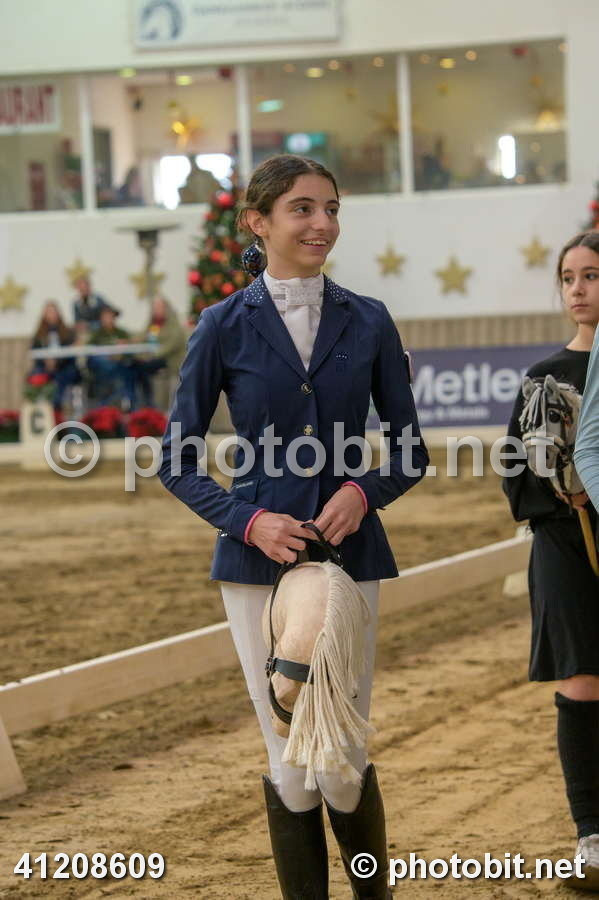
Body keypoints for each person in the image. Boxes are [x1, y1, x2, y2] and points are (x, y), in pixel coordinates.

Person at [159, 153, 428, 898]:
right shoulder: (221, 325)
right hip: (254, 565)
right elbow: (176, 460)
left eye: (331, 209)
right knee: (288, 759)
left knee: (340, 755)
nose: (322, 224)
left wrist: (364, 493)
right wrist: (247, 522)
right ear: (258, 221)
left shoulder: (369, 319)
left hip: (350, 556)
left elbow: (410, 451)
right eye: (303, 209)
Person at [503, 230, 599, 888]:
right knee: (582, 680)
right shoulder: (543, 377)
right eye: (568, 277)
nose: (577, 289)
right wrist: (561, 488)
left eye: (590, 275)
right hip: (565, 543)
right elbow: (514, 475)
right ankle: (591, 833)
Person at [135, 295, 187, 407]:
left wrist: (152, 355)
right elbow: (142, 337)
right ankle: (142, 402)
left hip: (170, 360)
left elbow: (172, 345)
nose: (156, 310)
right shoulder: (153, 323)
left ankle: (149, 402)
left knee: (143, 368)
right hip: (154, 359)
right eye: (154, 307)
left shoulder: (173, 324)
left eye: (159, 307)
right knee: (134, 366)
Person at [29, 300, 81, 412]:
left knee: (64, 375)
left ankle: (57, 406)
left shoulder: (68, 332)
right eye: (48, 312)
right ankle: (38, 410)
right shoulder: (39, 334)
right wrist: (46, 362)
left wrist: (56, 362)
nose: (51, 315)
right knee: (34, 374)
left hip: (65, 366)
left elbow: (71, 353)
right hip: (44, 366)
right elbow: (34, 353)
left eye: (53, 312)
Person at [87, 305, 137, 410]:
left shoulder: (121, 333)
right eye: (105, 317)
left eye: (110, 316)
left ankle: (128, 403)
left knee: (131, 370)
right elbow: (90, 350)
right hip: (102, 367)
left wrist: (123, 348)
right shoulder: (97, 334)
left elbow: (130, 350)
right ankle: (106, 404)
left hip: (120, 365)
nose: (108, 319)